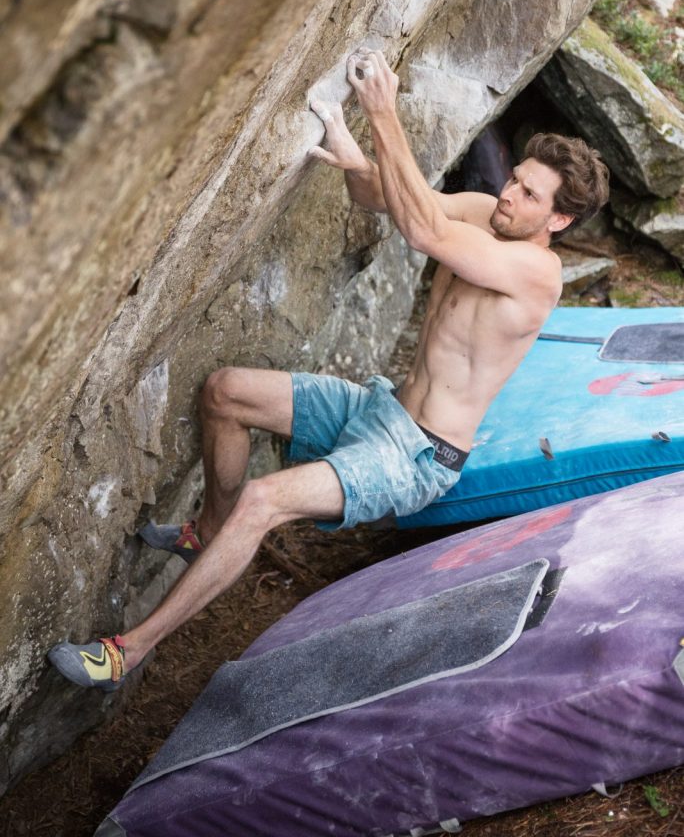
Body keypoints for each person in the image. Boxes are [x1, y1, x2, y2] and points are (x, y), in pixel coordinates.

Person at [48, 48, 610, 689]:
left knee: (263, 501)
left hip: (419, 456)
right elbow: (385, 197)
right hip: (384, 409)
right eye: (514, 178)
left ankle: (128, 651)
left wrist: (383, 111)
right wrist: (350, 149)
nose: (509, 194)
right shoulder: (490, 213)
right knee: (226, 393)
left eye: (528, 194)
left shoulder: (538, 274)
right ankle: (206, 534)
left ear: (558, 220)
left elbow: (423, 231)